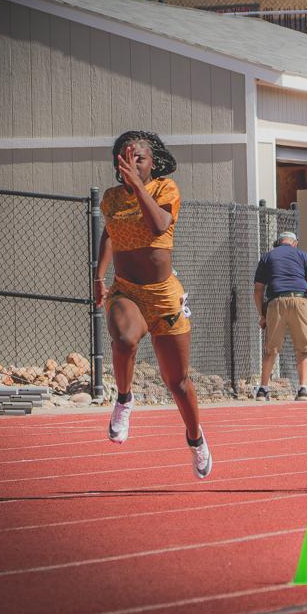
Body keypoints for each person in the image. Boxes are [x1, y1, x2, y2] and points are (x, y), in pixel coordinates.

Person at [94, 131, 211, 479]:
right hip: (127, 290)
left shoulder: (165, 189)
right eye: (124, 159)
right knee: (124, 338)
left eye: (138, 159)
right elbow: (110, 233)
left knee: (178, 382)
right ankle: (124, 399)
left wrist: (138, 186)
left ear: (153, 163)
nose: (130, 165)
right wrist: (99, 276)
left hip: (164, 295)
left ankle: (195, 439)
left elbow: (159, 224)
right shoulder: (112, 198)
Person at [253, 231, 307, 401]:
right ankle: (302, 389)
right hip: (300, 302)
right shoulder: (303, 255)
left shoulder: (267, 257)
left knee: (271, 349)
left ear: (278, 243)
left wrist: (262, 315)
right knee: (303, 348)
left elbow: (258, 289)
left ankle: (263, 390)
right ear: (294, 243)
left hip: (276, 302)